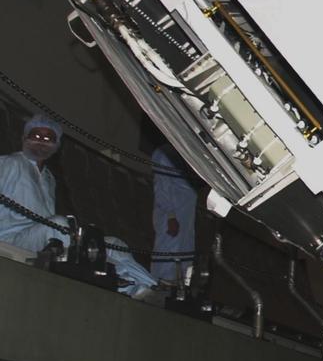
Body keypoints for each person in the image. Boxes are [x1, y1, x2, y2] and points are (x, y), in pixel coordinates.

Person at [0, 114, 158, 297]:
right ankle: (113, 279)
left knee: (114, 243)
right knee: (58, 224)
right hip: (12, 239)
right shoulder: (8, 163)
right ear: (24, 138)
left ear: (56, 145)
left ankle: (149, 287)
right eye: (35, 135)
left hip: (46, 238)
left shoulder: (49, 178)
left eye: (48, 138)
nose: (41, 141)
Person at [150, 145, 197, 284]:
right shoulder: (163, 154)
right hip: (172, 215)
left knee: (184, 255)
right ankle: (162, 285)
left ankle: (180, 288)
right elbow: (161, 187)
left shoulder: (182, 151)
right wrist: (171, 216)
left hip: (186, 215)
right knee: (168, 253)